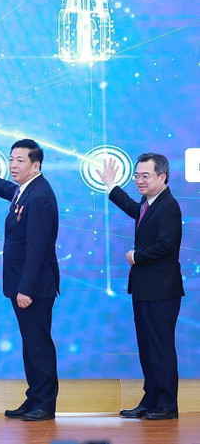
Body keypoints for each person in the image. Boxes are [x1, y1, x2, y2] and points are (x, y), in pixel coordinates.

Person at [0, 139, 59, 421]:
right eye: (11, 159)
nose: (13, 165)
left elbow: (38, 248)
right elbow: (12, 192)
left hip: (33, 287)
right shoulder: (26, 190)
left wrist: (26, 288)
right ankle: (34, 396)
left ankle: (45, 403)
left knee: (39, 345)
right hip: (23, 285)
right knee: (30, 343)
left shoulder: (41, 196)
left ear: (36, 165)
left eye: (20, 160)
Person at [97, 153, 184, 420]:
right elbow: (135, 210)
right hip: (146, 288)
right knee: (147, 347)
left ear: (162, 177)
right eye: (137, 176)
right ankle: (152, 398)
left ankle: (167, 404)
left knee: (161, 347)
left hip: (161, 290)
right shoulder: (149, 204)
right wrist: (112, 186)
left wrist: (137, 255)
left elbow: (167, 245)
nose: (139, 181)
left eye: (145, 176)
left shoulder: (169, 206)